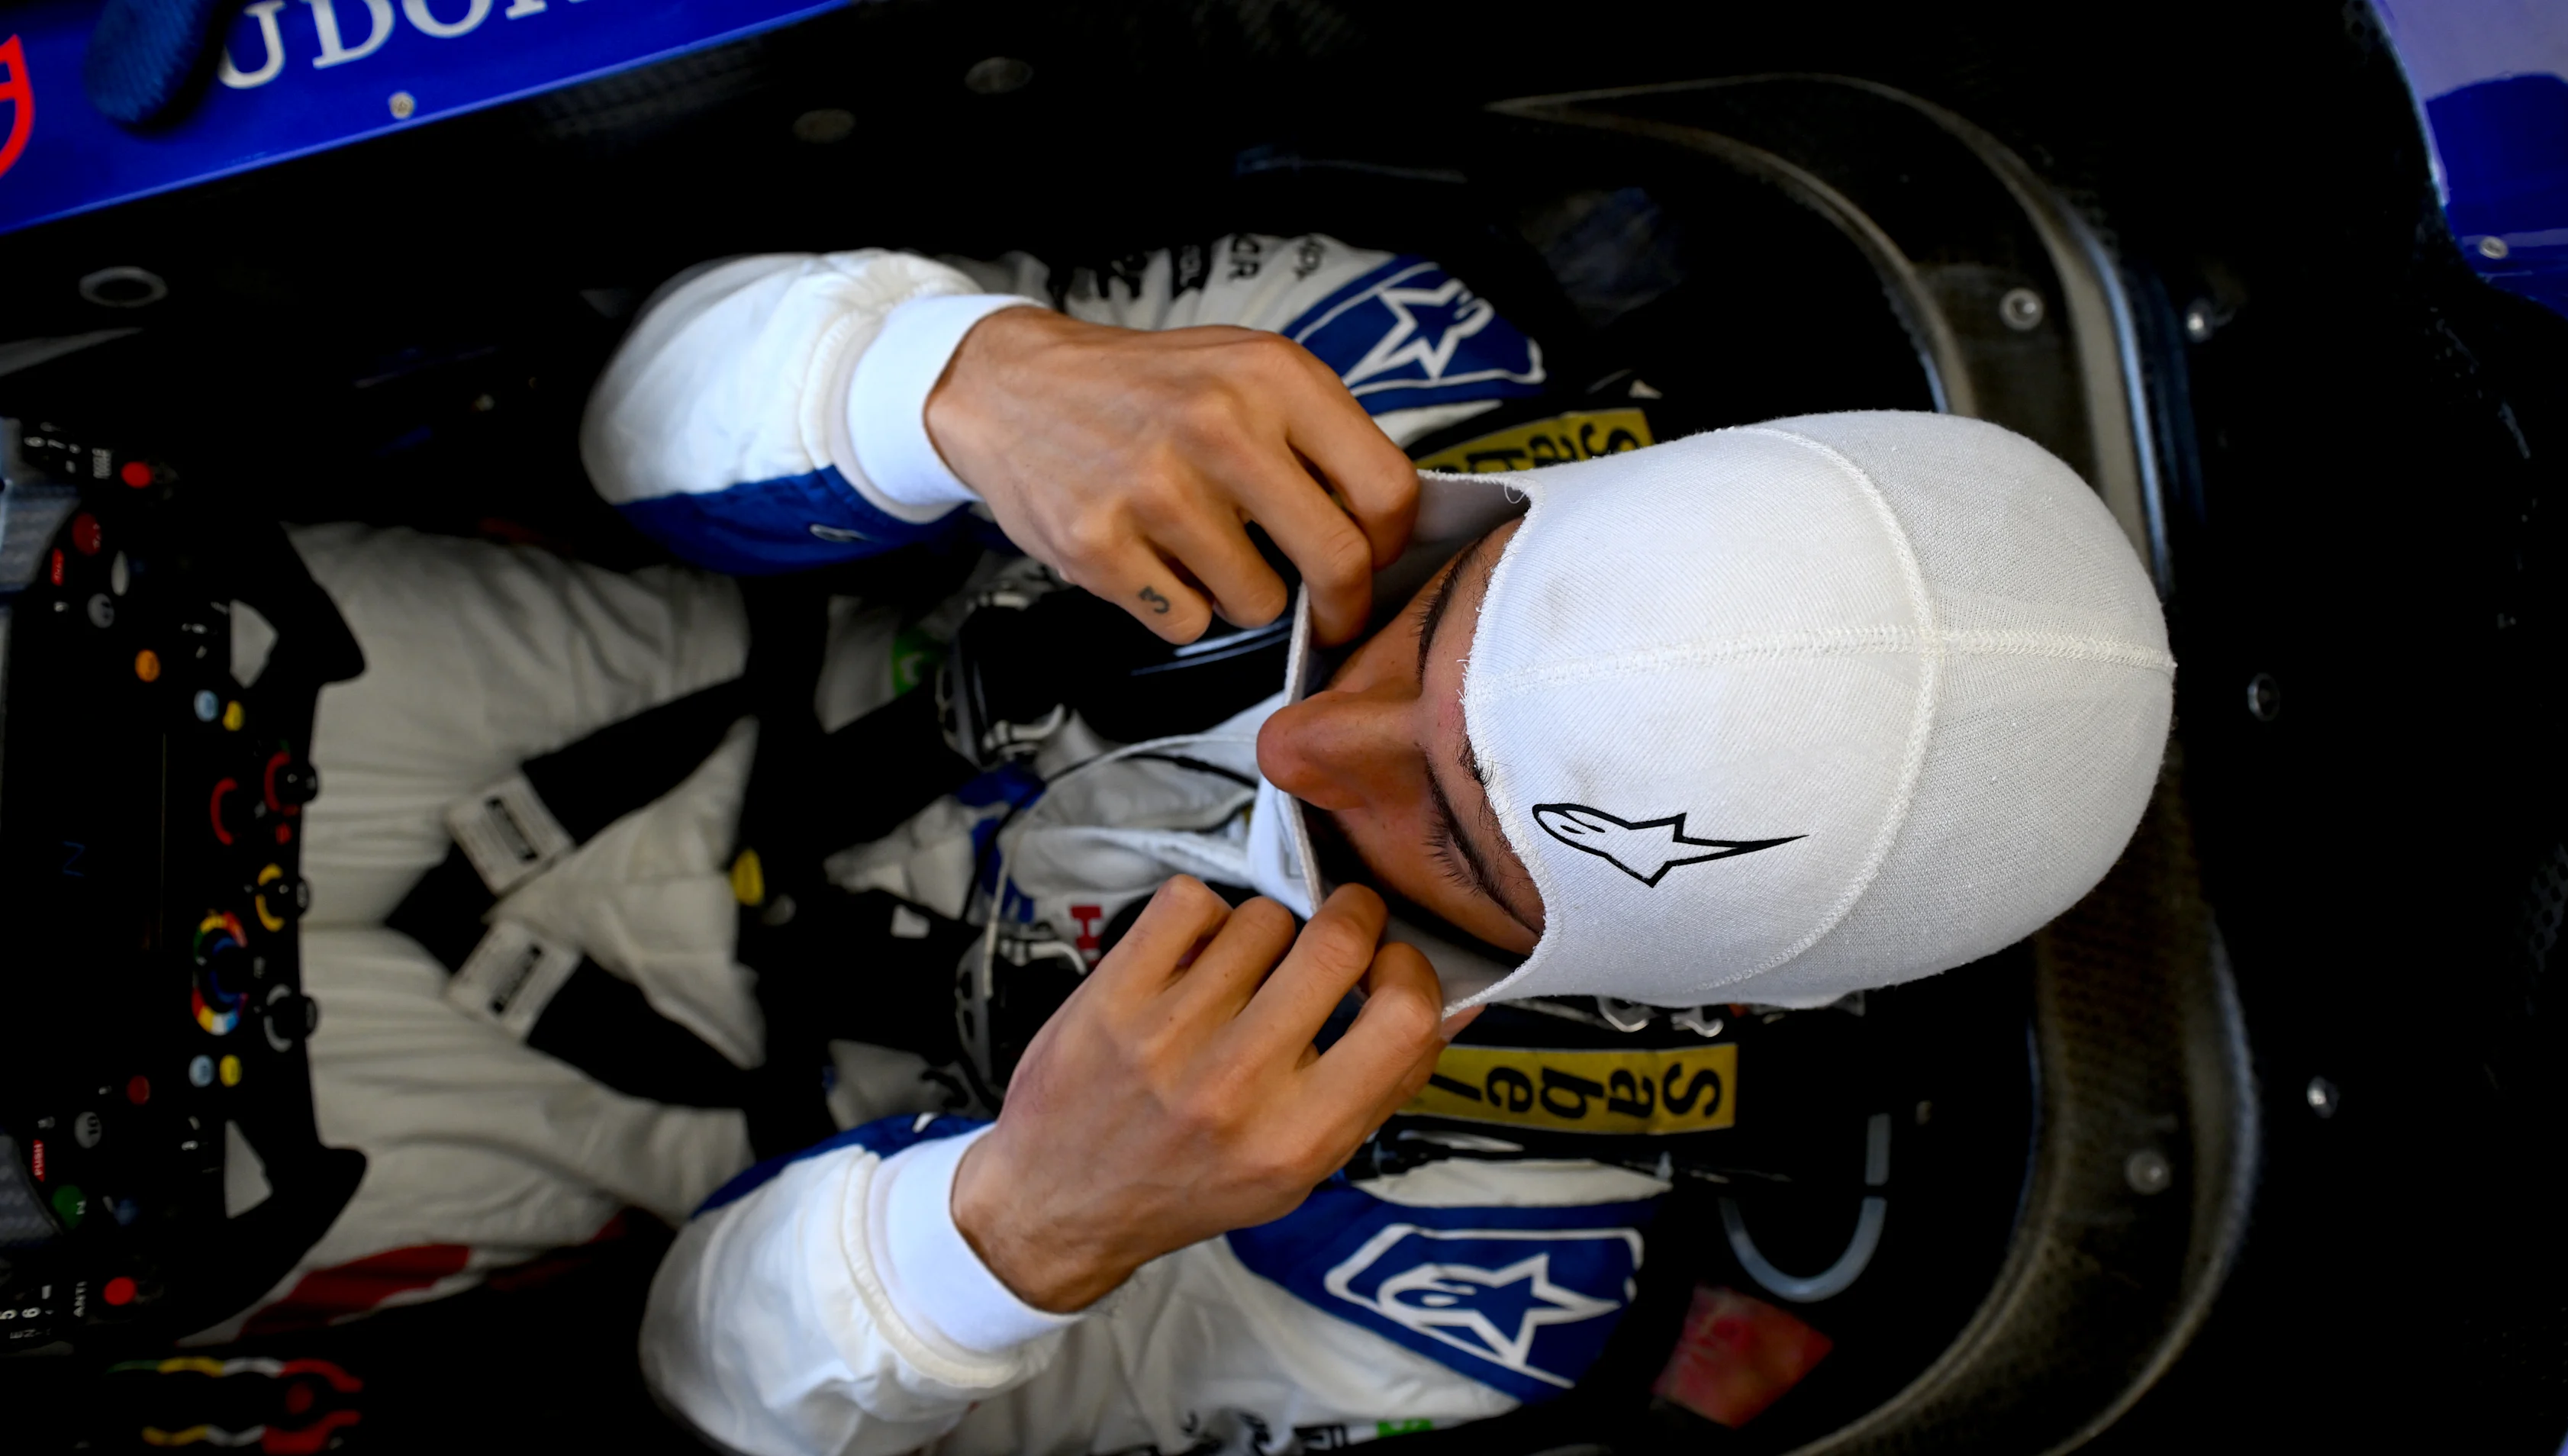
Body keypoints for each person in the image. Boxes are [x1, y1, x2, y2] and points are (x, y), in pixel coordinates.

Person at [229, 230, 2167, 1450]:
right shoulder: (1368, 361)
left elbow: (699, 1386)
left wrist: (1016, 1233)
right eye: (1429, 622)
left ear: (1611, 977)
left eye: (1460, 840)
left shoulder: (1466, 1281)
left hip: (669, 1132)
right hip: (635, 650)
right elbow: (613, 419)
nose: (1317, 738)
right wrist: (954, 385)